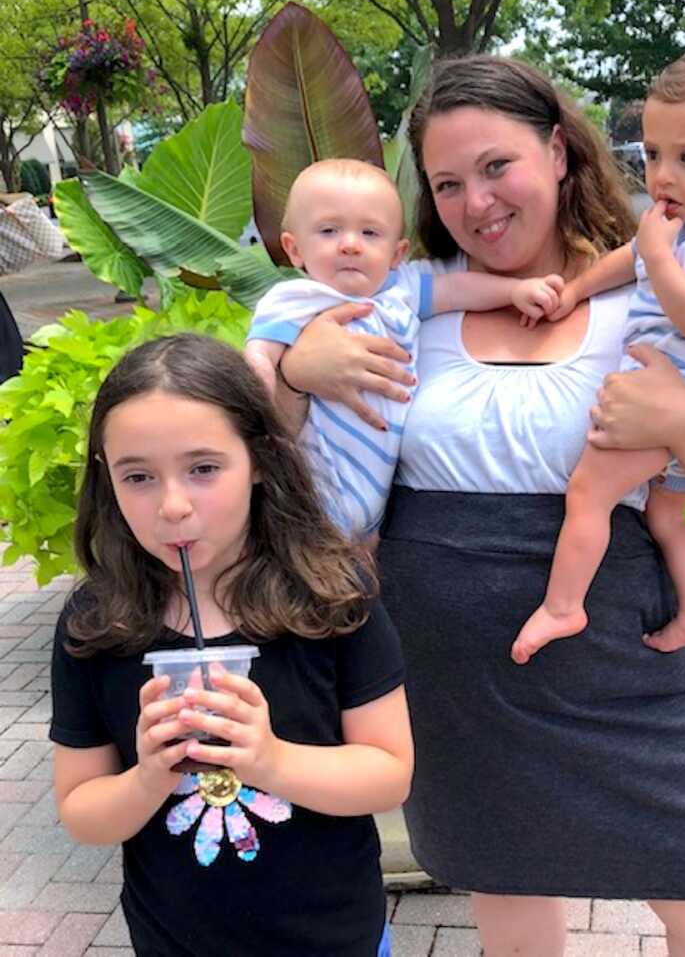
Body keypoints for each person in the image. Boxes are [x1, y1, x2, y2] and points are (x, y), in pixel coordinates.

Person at [276, 55, 685, 957]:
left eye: (496, 166)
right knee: (509, 900)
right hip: (454, 674)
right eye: (447, 182)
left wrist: (677, 418)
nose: (475, 202)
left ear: (556, 151)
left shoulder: (659, 284)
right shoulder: (398, 302)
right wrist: (291, 370)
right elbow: (273, 459)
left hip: (623, 660)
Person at [50, 334, 413, 957]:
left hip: (335, 936)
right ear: (106, 480)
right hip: (173, 940)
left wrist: (268, 759)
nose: (172, 505)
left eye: (203, 468)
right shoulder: (97, 623)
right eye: (138, 476)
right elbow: (82, 810)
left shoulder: (330, 598)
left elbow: (388, 774)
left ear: (261, 462)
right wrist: (148, 778)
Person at [511, 42, 685, 664]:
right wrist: (579, 289)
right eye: (654, 153)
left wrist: (660, 253)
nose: (663, 174)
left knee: (589, 493)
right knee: (667, 519)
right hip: (683, 396)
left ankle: (564, 607)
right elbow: (631, 257)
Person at [244, 158, 563, 536]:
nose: (349, 245)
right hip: (313, 480)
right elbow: (259, 355)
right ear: (294, 249)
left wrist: (514, 291)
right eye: (329, 231)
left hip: (376, 495)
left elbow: (457, 289)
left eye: (369, 233)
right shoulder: (296, 299)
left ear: (397, 254)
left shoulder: (403, 289)